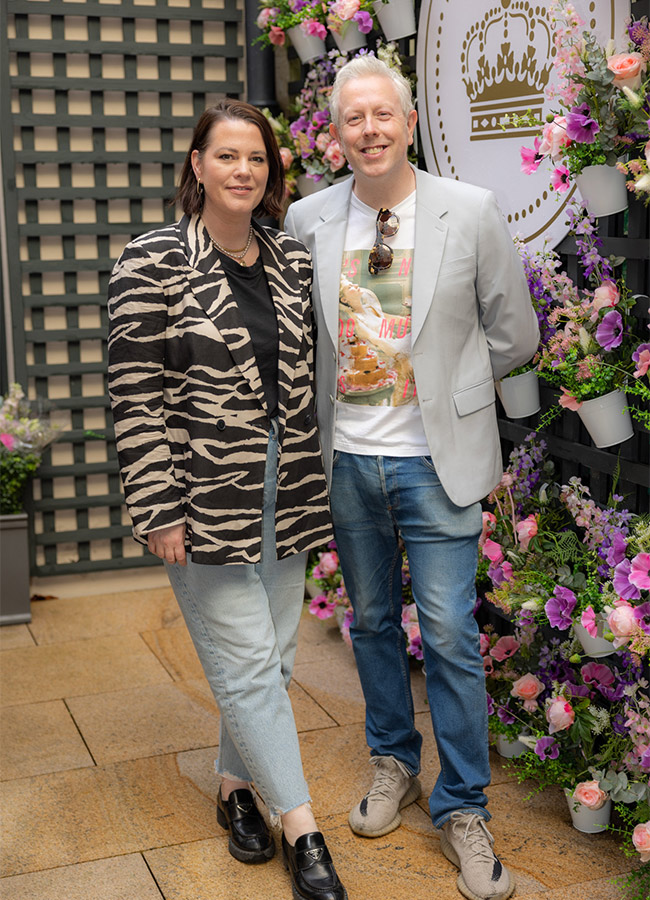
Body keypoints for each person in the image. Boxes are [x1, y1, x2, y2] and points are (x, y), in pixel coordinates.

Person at [284, 57, 539, 900]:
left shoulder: (470, 210)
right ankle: (393, 760)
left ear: (409, 120)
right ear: (337, 133)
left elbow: (515, 333)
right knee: (372, 624)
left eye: (382, 114)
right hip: (348, 462)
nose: (369, 130)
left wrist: (454, 389)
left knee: (453, 636)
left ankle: (463, 806)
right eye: (353, 118)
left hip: (437, 464)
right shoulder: (308, 218)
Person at [107, 99, 347, 900]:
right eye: (228, 156)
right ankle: (302, 830)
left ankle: (235, 787)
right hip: (200, 495)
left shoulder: (292, 259)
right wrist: (157, 507)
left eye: (258, 158)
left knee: (272, 660)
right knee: (245, 663)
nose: (244, 170)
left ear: (271, 172)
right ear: (198, 165)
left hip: (288, 484)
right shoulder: (150, 260)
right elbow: (134, 397)